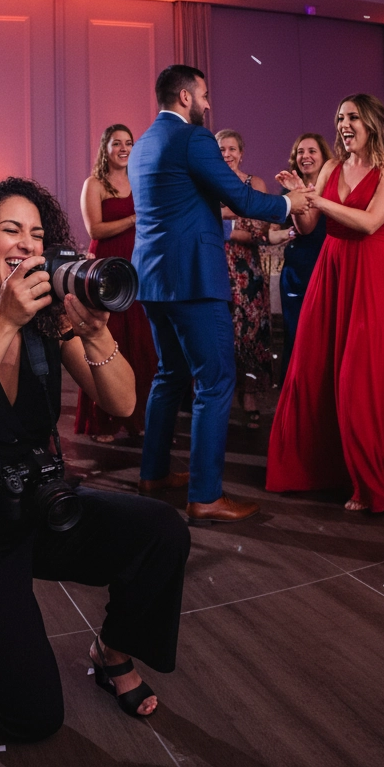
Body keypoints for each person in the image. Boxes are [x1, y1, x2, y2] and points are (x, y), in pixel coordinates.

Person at [0, 177, 190, 741]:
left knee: (161, 530)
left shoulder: (47, 324)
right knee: (32, 717)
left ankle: (111, 653)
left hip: (39, 509)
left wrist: (97, 332)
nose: (26, 244)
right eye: (10, 230)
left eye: (37, 235)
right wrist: (3, 320)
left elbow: (124, 401)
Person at [128, 65, 300, 523]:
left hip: (151, 278)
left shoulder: (142, 144)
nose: (208, 103)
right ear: (185, 97)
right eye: (204, 95)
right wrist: (289, 204)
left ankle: (153, 473)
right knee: (216, 380)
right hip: (193, 279)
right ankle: (206, 495)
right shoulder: (193, 139)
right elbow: (241, 198)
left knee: (170, 376)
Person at [266, 95, 384, 512]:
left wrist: (318, 200)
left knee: (358, 379)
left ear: (372, 122)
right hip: (330, 271)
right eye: (340, 117)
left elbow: (369, 222)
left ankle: (368, 481)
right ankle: (315, 470)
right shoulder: (330, 167)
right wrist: (297, 200)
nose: (343, 124)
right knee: (312, 370)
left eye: (352, 117)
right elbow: (309, 225)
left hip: (369, 274)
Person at [75, 124, 158, 443]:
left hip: (138, 266)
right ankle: (103, 422)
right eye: (116, 143)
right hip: (107, 268)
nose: (124, 148)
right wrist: (133, 220)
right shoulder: (93, 184)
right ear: (104, 149)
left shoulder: (140, 179)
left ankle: (139, 418)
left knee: (142, 341)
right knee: (110, 340)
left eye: (128, 143)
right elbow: (95, 230)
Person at [215, 128, 272, 430]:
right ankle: (220, 396)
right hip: (216, 266)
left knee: (250, 332)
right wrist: (239, 222)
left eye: (232, 149)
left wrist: (224, 222)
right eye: (221, 149)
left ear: (242, 152)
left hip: (248, 269)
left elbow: (261, 228)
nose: (227, 154)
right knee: (221, 333)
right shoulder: (208, 184)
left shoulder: (256, 183)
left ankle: (249, 394)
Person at [268, 133, 332, 383]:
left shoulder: (336, 188)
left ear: (324, 156)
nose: (305, 156)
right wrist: (292, 230)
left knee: (327, 337)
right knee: (296, 337)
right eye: (300, 152)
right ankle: (293, 399)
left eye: (312, 151)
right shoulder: (287, 193)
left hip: (330, 269)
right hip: (297, 273)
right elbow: (272, 236)